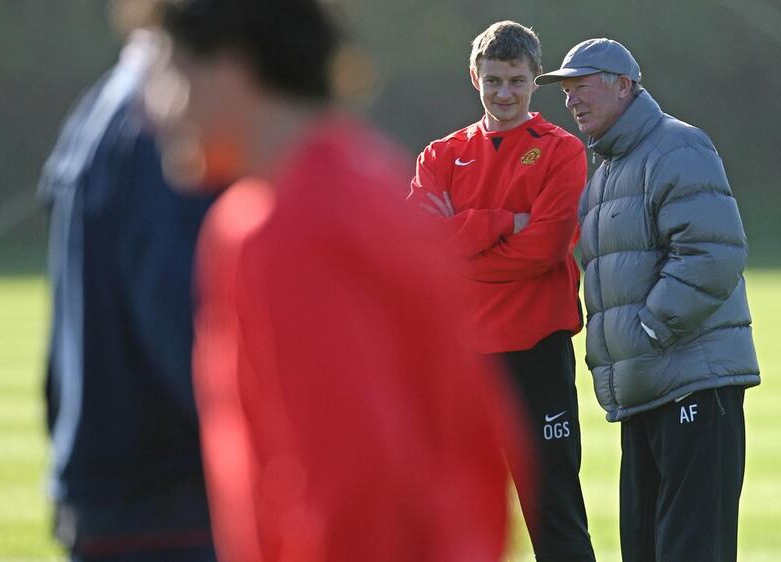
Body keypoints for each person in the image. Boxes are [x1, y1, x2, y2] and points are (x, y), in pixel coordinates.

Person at [150, 1, 528, 561]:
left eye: (171, 72)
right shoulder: (370, 177)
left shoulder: (288, 226)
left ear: (232, 68)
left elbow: (355, 484)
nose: (159, 108)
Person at [536, 38, 761, 561]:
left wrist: (651, 330)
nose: (571, 102)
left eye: (582, 87)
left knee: (690, 549)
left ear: (624, 86)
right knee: (644, 548)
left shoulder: (676, 146)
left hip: (692, 386)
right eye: (566, 92)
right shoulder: (608, 171)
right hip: (645, 392)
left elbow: (712, 254)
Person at [409, 20, 596, 562]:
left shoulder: (562, 152)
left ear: (536, 80)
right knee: (452, 509)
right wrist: (505, 221)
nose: (504, 93)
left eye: (516, 80)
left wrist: (460, 241)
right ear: (475, 78)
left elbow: (546, 248)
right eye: (494, 80)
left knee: (553, 508)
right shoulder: (441, 155)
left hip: (537, 349)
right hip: (460, 359)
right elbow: (420, 252)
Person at [39, 4, 216, 560]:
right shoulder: (164, 120)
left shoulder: (107, 101)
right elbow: (187, 334)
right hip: (167, 504)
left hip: (121, 496)